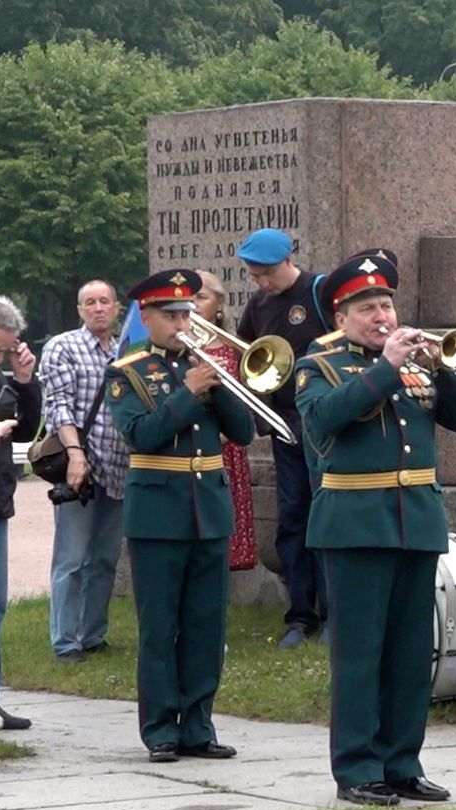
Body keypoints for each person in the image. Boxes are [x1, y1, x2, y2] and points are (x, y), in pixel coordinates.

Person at [295, 251, 456, 805]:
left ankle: (402, 762)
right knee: (359, 653)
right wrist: (386, 369)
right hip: (354, 525)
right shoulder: (319, 366)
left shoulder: (419, 364)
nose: (383, 315)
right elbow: (325, 420)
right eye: (369, 307)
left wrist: (447, 370)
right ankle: (357, 768)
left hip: (415, 520)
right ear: (341, 315)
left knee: (408, 651)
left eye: (387, 304)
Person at [104, 270, 258, 762]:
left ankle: (198, 724)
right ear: (146, 318)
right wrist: (189, 393)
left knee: (206, 625)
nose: (181, 323)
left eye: (187, 313)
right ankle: (159, 729)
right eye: (170, 316)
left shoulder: (208, 365)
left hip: (208, 509)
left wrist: (221, 385)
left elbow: (244, 432)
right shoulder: (127, 371)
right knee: (159, 626)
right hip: (158, 512)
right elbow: (142, 435)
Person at [235, 227, 330, 648]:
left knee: (327, 517)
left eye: (267, 274)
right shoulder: (259, 304)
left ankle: (334, 613)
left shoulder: (319, 291)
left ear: (288, 262)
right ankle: (300, 615)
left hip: (325, 423)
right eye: (255, 276)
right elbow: (245, 353)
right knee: (293, 516)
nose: (262, 283)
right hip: (285, 423)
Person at [39, 279, 128, 663]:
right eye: (89, 303)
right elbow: (58, 405)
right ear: (79, 310)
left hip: (118, 467)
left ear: (116, 307)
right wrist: (76, 455)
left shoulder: (127, 350)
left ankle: (93, 634)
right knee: (72, 559)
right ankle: (66, 642)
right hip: (80, 467)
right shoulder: (63, 346)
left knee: (105, 559)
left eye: (104, 302)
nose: (97, 309)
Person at [193, 270, 257, 572]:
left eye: (201, 297)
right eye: (187, 298)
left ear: (219, 304)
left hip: (227, 449)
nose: (193, 304)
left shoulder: (234, 347)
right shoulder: (177, 349)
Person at [0, 295, 42, 730]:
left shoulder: (1, 377)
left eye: (8, 352)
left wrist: (25, 381)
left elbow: (26, 431)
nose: (3, 359)